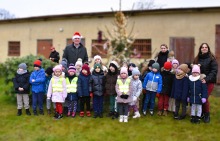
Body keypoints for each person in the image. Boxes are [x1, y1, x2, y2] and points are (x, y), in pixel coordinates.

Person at [193, 43, 218, 123]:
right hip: (199, 81)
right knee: (199, 97)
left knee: (205, 98)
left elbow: (214, 71)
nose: (204, 48)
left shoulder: (212, 59)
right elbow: (194, 69)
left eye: (205, 47)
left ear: (208, 48)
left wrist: (206, 79)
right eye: (202, 47)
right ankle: (201, 113)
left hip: (209, 82)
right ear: (200, 49)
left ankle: (207, 114)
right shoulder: (197, 59)